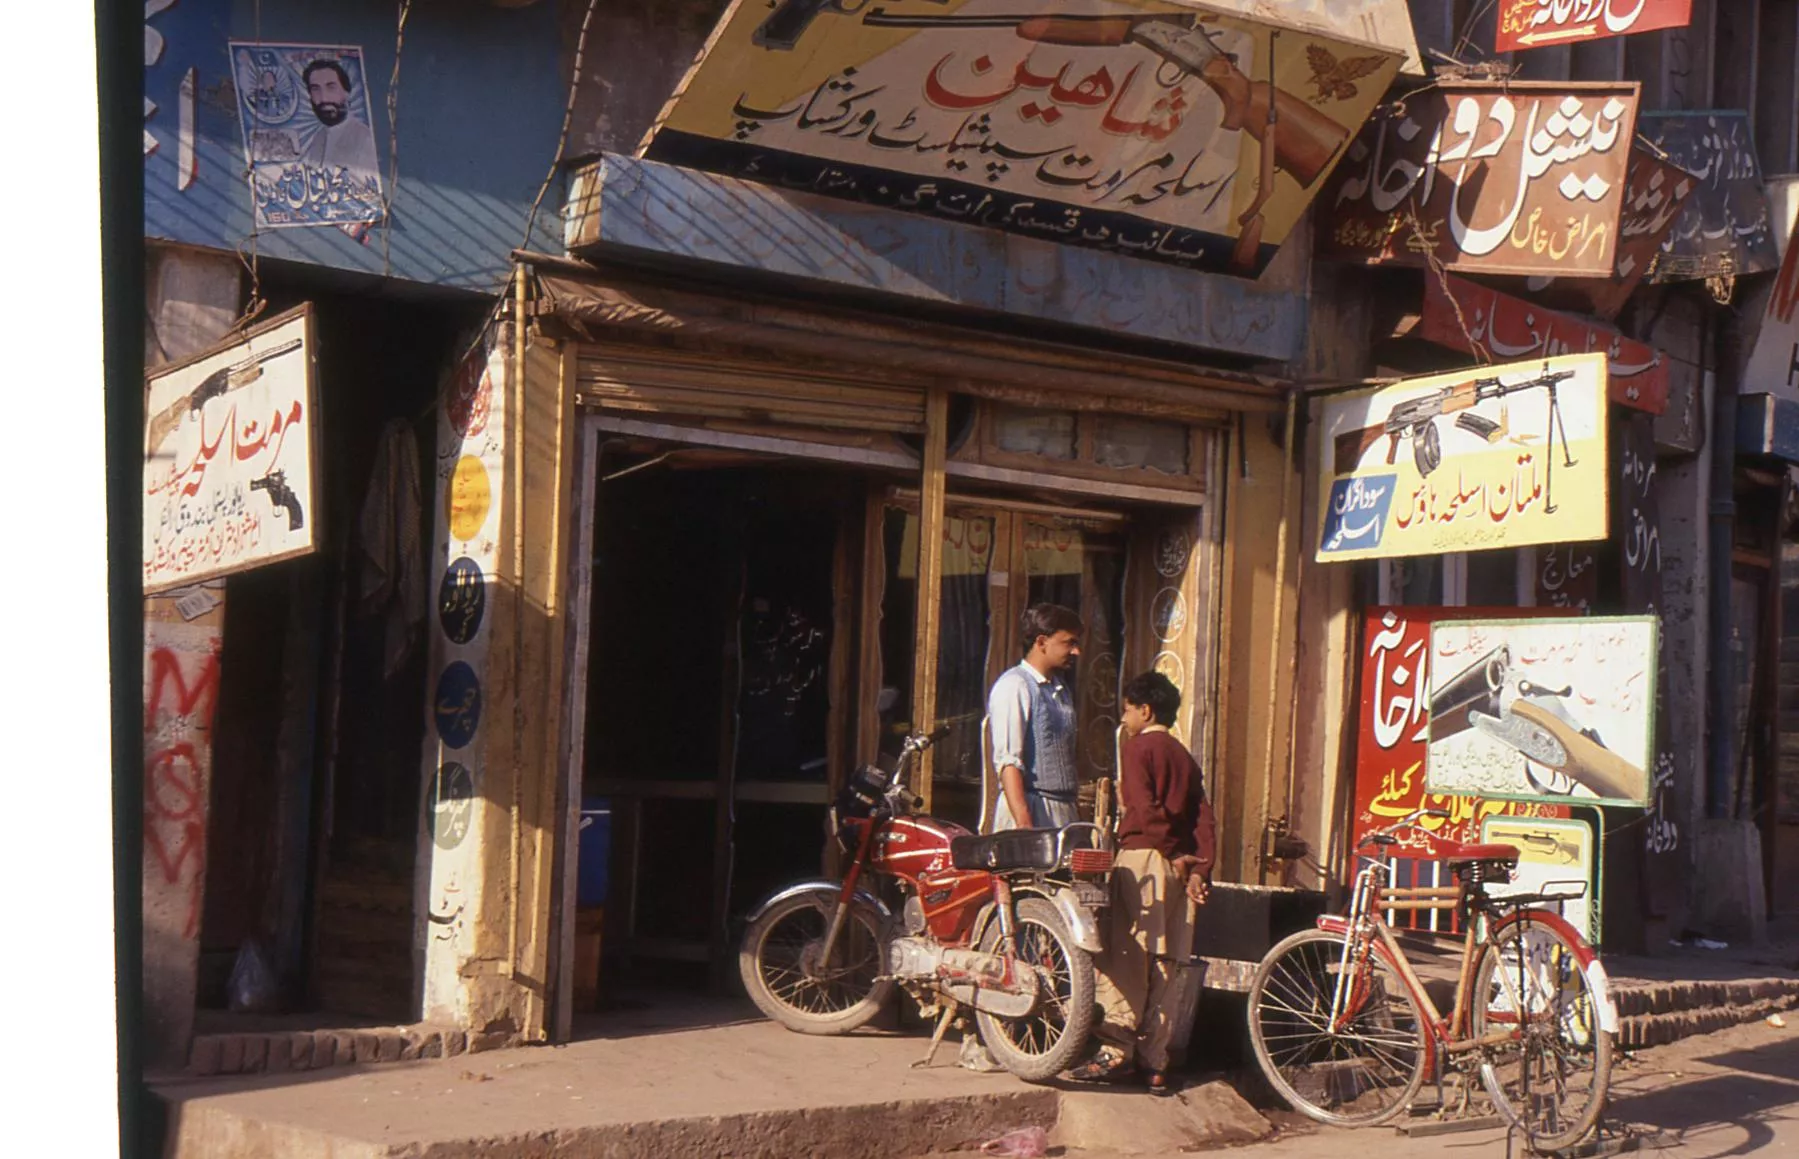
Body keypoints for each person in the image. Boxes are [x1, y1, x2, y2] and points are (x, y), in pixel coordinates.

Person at [1072, 670, 1216, 1095]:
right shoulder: (1184, 757)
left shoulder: (1137, 750)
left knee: (1126, 955)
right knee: (1166, 964)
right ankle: (1156, 1062)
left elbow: (1143, 807)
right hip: (1179, 868)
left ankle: (1116, 1050)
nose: (1125, 718)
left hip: (1144, 860)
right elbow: (1204, 820)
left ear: (1145, 710)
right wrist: (1198, 871)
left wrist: (1171, 854)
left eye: (1128, 710)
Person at [986, 603, 1083, 831]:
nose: (1076, 651)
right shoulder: (1015, 685)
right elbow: (1008, 762)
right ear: (1041, 642)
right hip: (1032, 809)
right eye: (1069, 642)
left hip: (1062, 811)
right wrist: (1023, 823)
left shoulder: (1060, 690)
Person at [300, 59, 380, 179]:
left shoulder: (364, 139)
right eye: (315, 89)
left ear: (346, 93)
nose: (324, 98)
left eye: (331, 87)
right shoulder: (318, 139)